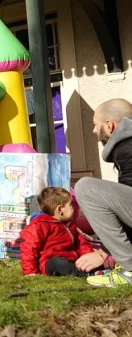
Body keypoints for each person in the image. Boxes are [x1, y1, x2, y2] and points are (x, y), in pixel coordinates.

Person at [74, 99, 132, 287]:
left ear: (109, 125)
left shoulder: (127, 146)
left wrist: (103, 253)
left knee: (85, 188)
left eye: (95, 124)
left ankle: (130, 270)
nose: (93, 130)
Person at [19, 187, 102, 277]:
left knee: (87, 259)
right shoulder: (40, 225)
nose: (74, 208)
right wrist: (30, 271)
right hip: (50, 264)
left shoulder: (70, 226)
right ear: (60, 209)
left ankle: (98, 270)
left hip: (72, 260)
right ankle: (88, 274)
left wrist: (89, 256)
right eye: (71, 205)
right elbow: (29, 248)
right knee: (57, 263)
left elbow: (81, 244)